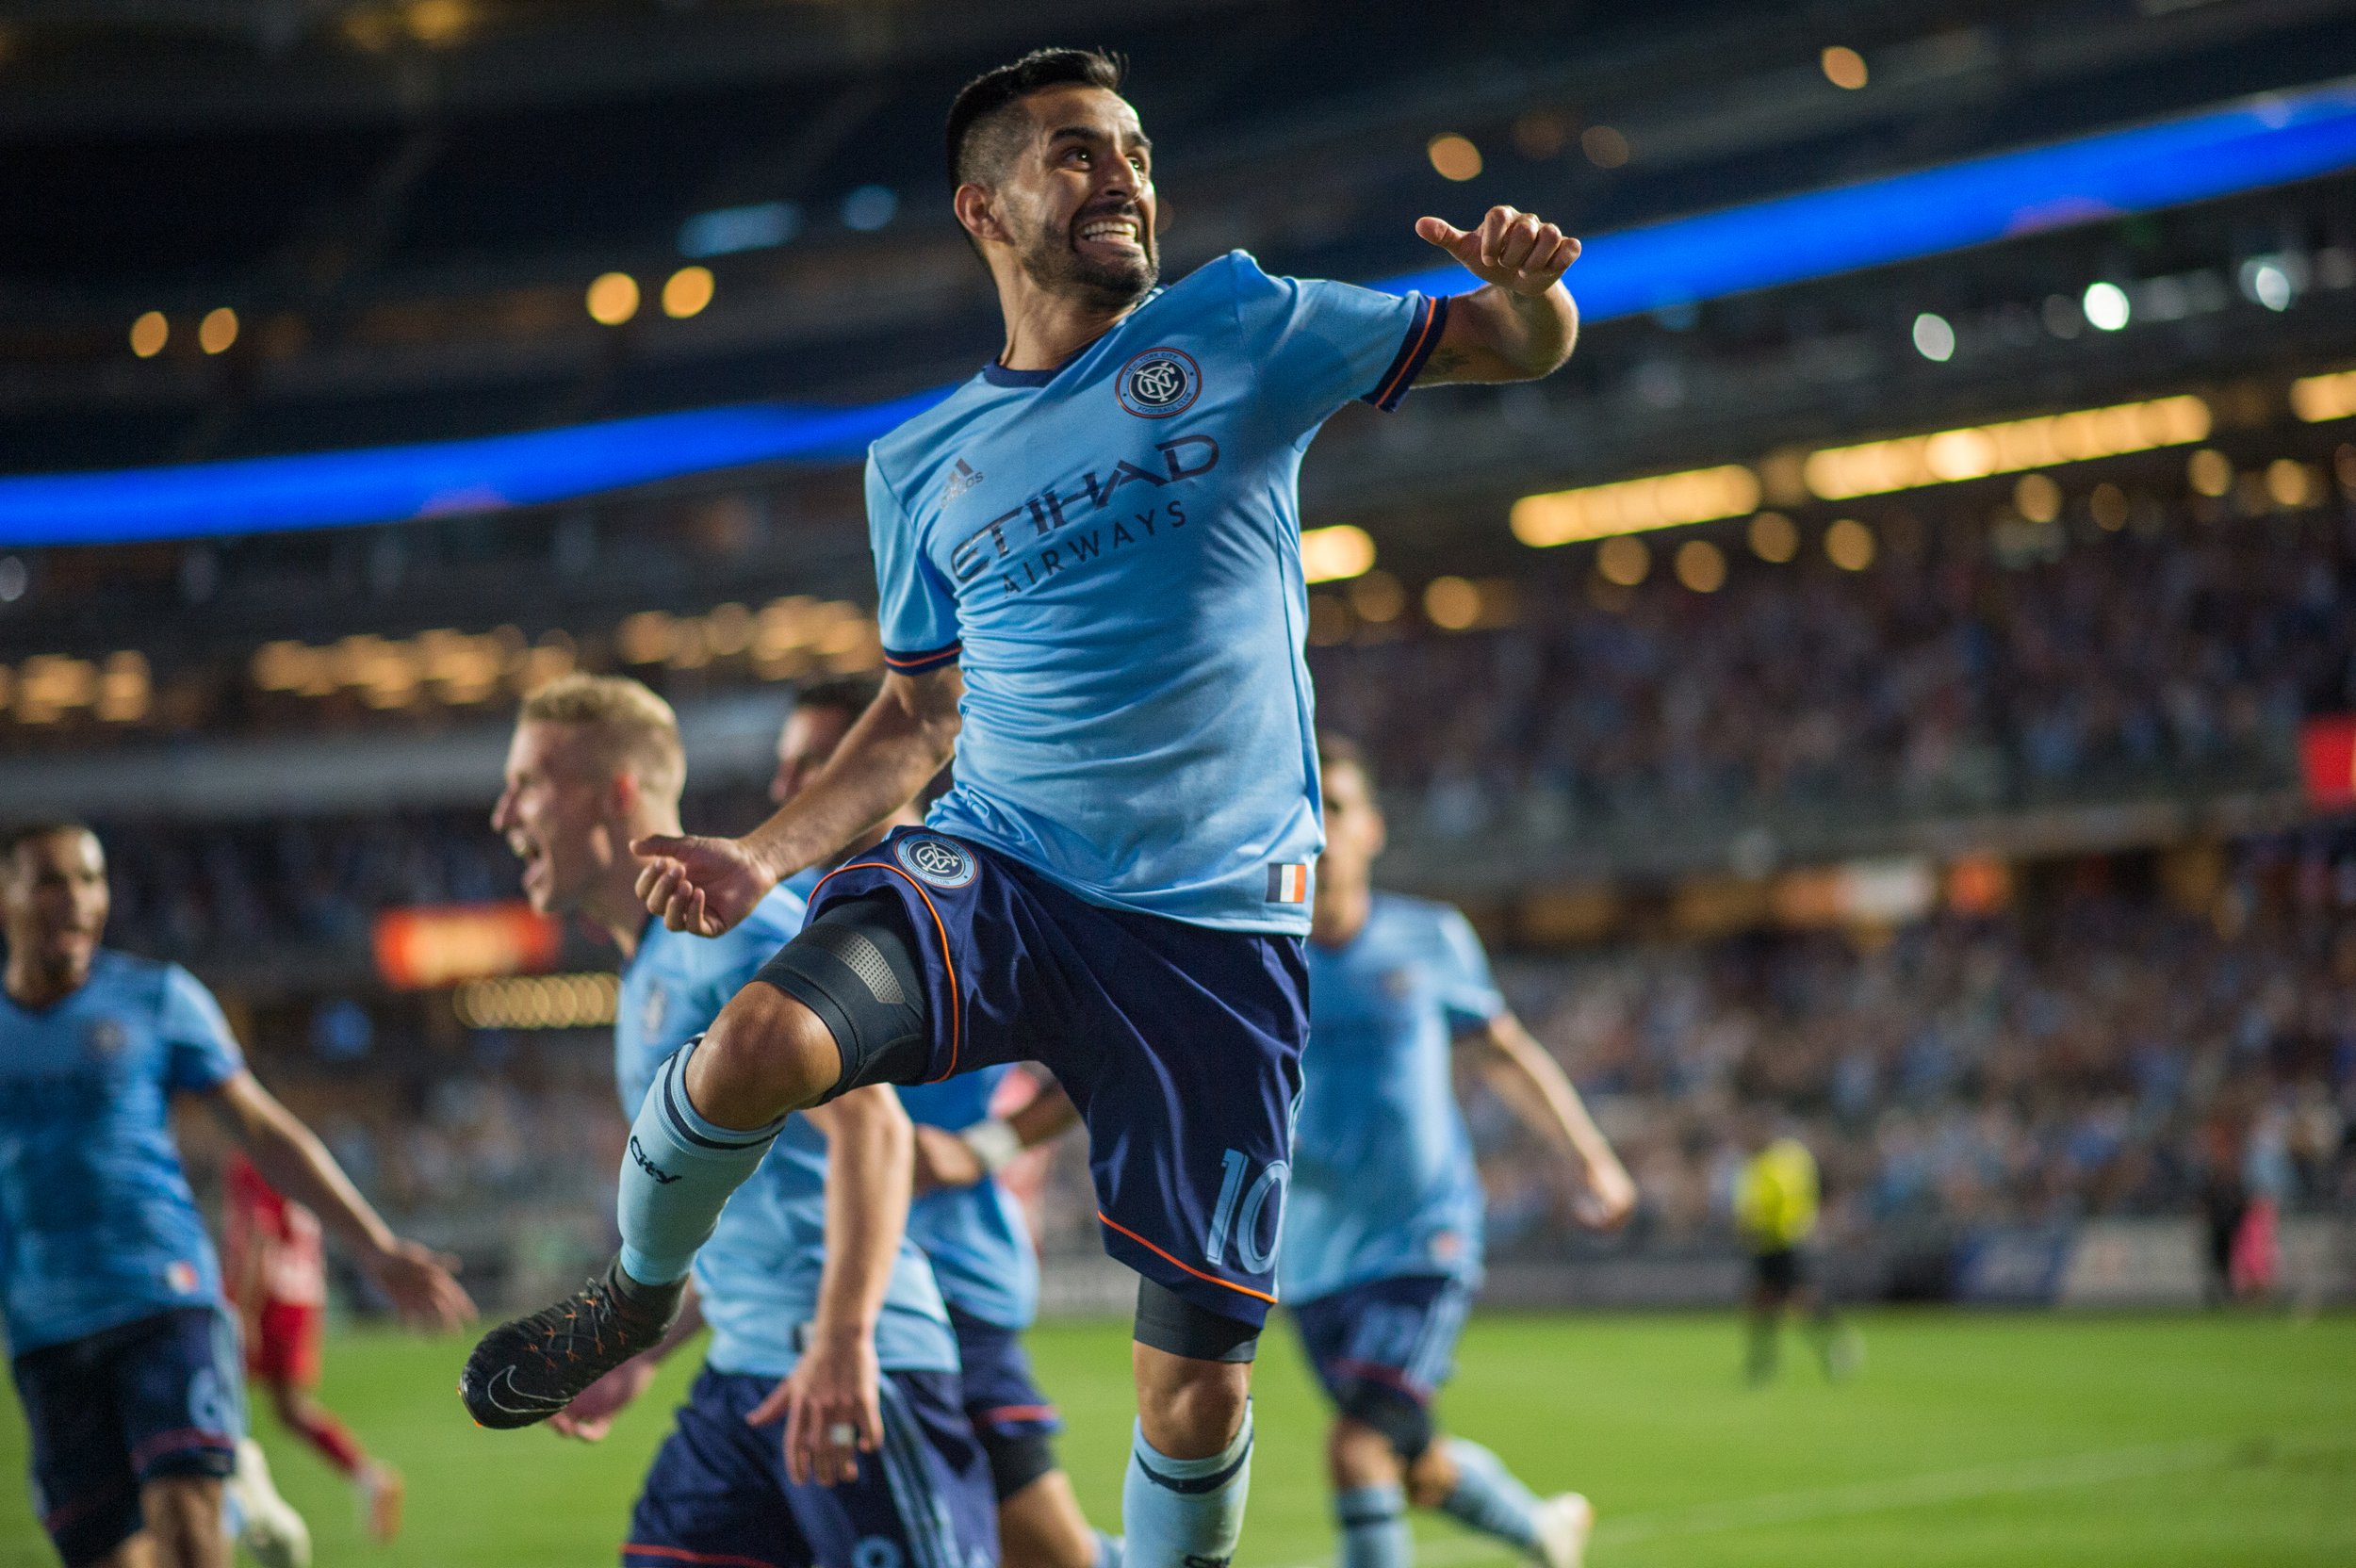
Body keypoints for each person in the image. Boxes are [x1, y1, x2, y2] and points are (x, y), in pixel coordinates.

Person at [463, 47, 1582, 1568]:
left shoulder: (1242, 322)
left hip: (1213, 929)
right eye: (1078, 151)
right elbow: (918, 718)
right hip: (1005, 868)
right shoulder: (916, 466)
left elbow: (1516, 349)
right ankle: (639, 1288)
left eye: (1131, 148)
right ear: (983, 206)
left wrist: (1528, 292)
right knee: (757, 1042)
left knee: (1191, 1403)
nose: (1122, 172)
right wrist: (763, 852)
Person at [483, 675, 997, 1568]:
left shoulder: (739, 941)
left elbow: (875, 1132)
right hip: (748, 1368)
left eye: (528, 782)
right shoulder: (651, 968)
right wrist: (643, 1352)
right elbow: (735, 1214)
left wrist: (842, 1343)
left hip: (843, 1367)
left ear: (617, 794)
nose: (503, 813)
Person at [0, 823, 472, 1568]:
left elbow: (265, 1132)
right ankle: (241, 1485)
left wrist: (373, 1245)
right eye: (52, 881)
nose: (80, 901)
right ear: (7, 897)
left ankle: (222, 1485)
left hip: (161, 1300)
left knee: (189, 1535)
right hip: (43, 1331)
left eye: (91, 880)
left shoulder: (155, 998)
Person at [777, 677, 1113, 1568]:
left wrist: (987, 1146)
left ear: (883, 761)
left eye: (815, 763)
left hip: (950, 1290)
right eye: (786, 768)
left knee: (1035, 1554)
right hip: (831, 1297)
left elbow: (1109, 1044)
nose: (789, 791)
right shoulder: (789, 921)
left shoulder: (972, 891)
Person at [1284, 737, 1634, 1568]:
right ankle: (1540, 1528)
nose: (1321, 829)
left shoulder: (1429, 938)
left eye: (1337, 806)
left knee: (1355, 1450)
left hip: (1421, 1241)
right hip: (1308, 1261)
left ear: (1372, 828)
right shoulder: (1260, 955)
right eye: (1305, 809)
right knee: (1409, 1461)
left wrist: (1591, 1155)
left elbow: (1504, 1054)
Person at [221, 1152, 405, 1544]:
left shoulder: (252, 1160)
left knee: (209, 1396)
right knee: (289, 1409)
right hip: (302, 1295)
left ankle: (230, 1507)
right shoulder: (291, 1159)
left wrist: (244, 1311)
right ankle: (369, 1477)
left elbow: (259, 1232)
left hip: (270, 1298)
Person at [1733, 1114, 1858, 1383]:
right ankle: (1763, 1363)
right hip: (1767, 1243)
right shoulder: (1766, 1160)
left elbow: (1781, 1200)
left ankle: (1838, 1343)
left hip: (1784, 1241)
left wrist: (1762, 1222)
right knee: (1763, 1302)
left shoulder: (1782, 1160)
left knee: (1797, 1300)